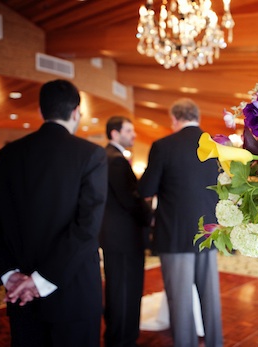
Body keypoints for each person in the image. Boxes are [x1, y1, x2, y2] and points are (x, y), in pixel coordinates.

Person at [0, 79, 107, 347]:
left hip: (21, 298)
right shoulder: (91, 154)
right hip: (74, 296)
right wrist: (40, 281)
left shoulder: (5, 156)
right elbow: (87, 229)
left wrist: (10, 274)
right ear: (76, 112)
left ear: (40, 112)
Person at [139, 98, 223, 347]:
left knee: (181, 301)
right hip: (210, 232)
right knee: (210, 298)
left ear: (174, 119)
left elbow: (146, 189)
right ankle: (215, 343)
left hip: (175, 235)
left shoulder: (163, 146)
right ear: (197, 116)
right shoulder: (216, 145)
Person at [100, 116, 152, 347]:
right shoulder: (116, 161)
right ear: (114, 133)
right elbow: (130, 200)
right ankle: (122, 339)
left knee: (117, 289)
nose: (133, 135)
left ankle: (117, 335)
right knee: (125, 291)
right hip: (125, 238)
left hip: (114, 237)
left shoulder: (106, 157)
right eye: (129, 131)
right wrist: (148, 212)